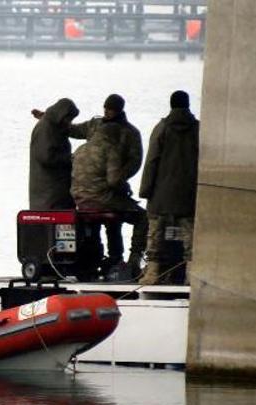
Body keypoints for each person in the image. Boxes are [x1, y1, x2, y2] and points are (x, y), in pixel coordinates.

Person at [33, 94, 142, 267]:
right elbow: (73, 130)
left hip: (103, 186)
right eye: (106, 109)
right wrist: (49, 117)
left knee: (112, 225)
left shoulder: (129, 133)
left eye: (111, 110)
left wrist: (119, 178)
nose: (107, 112)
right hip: (103, 188)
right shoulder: (96, 125)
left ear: (120, 110)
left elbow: (135, 162)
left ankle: (114, 259)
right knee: (104, 222)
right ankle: (107, 260)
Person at [70, 122, 148, 277]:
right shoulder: (110, 149)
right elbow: (114, 181)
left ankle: (112, 257)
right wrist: (125, 188)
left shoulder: (79, 150)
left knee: (114, 216)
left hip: (81, 200)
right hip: (102, 200)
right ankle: (134, 258)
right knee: (142, 216)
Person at [139, 90, 199, 285]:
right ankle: (191, 276)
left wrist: (146, 190)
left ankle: (152, 274)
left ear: (171, 105)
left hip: (161, 194)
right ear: (188, 105)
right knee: (190, 237)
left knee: (155, 234)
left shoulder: (162, 127)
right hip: (189, 193)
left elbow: (152, 160)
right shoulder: (198, 129)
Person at [29, 98, 80, 210]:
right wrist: (72, 159)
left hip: (56, 192)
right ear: (61, 114)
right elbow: (46, 157)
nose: (69, 122)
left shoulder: (55, 126)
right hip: (49, 193)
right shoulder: (45, 128)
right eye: (68, 118)